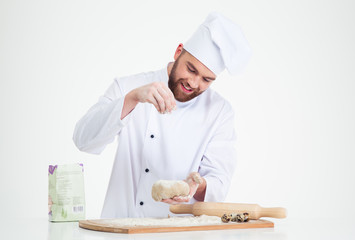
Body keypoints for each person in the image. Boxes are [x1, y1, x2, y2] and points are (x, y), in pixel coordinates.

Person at [73, 12, 252, 218]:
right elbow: (82, 139)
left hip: (179, 231)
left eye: (206, 79)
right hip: (121, 226)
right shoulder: (127, 87)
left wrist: (198, 185)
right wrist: (131, 99)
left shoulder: (219, 111)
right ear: (178, 52)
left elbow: (218, 182)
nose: (193, 83)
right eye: (191, 69)